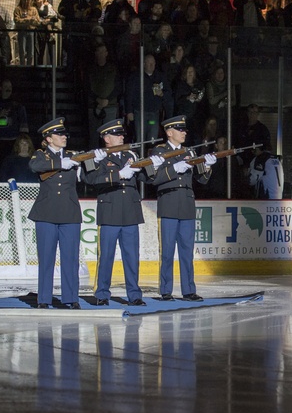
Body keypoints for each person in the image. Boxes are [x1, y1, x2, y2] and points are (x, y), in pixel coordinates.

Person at [83, 119, 164, 307]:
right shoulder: (98, 158)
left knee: (131, 256)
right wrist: (118, 175)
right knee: (106, 257)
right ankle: (102, 293)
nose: (121, 137)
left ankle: (134, 294)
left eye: (121, 134)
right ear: (106, 138)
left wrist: (154, 165)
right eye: (116, 134)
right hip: (110, 211)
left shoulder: (130, 155)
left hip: (130, 212)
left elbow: (145, 177)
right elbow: (92, 179)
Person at [147, 116, 217, 301]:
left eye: (184, 130)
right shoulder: (159, 151)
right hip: (168, 204)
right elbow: (153, 178)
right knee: (167, 252)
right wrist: (174, 169)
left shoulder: (190, 152)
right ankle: (166, 291)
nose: (184, 132)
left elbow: (201, 180)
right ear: (170, 132)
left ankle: (188, 290)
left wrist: (207, 166)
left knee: (187, 252)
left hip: (186, 206)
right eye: (180, 130)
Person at [28, 118, 92, 309]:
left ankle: (71, 298)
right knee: (46, 258)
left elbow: (89, 179)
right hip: (46, 213)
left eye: (65, 134)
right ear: (48, 138)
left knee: (70, 259)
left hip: (69, 213)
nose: (64, 137)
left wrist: (93, 161)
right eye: (60, 134)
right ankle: (44, 299)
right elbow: (34, 167)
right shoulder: (40, 155)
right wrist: (60, 163)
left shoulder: (74, 155)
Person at [0, 79, 29, 165]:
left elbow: (23, 124)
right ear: (0, 88)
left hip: (12, 141)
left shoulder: (17, 106)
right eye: (6, 87)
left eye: (10, 87)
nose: (8, 89)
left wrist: (22, 139)